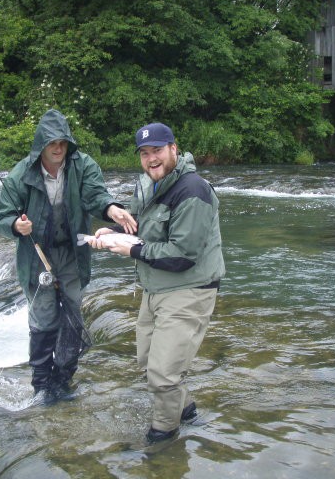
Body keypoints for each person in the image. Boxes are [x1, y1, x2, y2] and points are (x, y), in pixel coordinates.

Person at [87, 122, 225, 443]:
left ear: (174, 149)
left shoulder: (194, 191)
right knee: (149, 362)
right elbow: (141, 230)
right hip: (156, 286)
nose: (151, 159)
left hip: (190, 288)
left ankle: (163, 441)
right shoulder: (147, 185)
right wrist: (115, 235)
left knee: (163, 375)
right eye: (145, 153)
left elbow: (182, 254)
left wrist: (132, 248)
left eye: (158, 151)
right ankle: (187, 410)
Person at [0, 108, 136, 405]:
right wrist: (16, 226)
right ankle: (41, 385)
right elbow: (1, 218)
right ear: (41, 145)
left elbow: (96, 195)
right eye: (52, 143)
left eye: (63, 142)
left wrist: (111, 208)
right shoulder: (21, 174)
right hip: (37, 257)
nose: (58, 148)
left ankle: (64, 379)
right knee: (44, 318)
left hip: (73, 252)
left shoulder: (83, 166)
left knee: (72, 314)